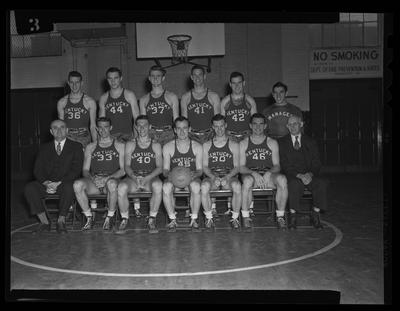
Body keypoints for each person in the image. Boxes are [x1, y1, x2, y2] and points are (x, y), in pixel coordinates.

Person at [24, 119, 83, 234]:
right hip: (47, 183)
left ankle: (61, 221)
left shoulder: (76, 146)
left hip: (65, 183)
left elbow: (76, 169)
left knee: (69, 187)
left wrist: (58, 183)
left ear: (67, 130)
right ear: (51, 131)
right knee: (30, 188)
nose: (59, 130)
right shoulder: (44, 148)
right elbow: (37, 170)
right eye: (55, 128)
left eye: (62, 127)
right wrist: (46, 183)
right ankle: (44, 222)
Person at [73, 117, 125, 232]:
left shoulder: (120, 145)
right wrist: (92, 179)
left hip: (111, 180)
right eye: (100, 127)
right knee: (77, 184)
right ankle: (89, 217)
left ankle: (110, 217)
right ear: (96, 129)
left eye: (106, 127)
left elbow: (123, 170)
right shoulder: (90, 147)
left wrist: (107, 178)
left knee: (111, 184)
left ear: (111, 128)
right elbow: (85, 170)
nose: (103, 130)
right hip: (95, 181)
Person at [239, 113, 288, 231]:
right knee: (247, 181)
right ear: (250, 125)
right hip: (251, 175)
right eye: (255, 124)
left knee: (282, 180)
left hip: (268, 176)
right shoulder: (243, 143)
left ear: (265, 126)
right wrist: (254, 174)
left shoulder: (272, 142)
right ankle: (245, 217)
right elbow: (241, 167)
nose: (258, 127)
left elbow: (277, 165)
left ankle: (280, 216)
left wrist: (269, 173)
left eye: (261, 124)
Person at [278, 115, 327, 229]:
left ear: (301, 124)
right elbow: (283, 163)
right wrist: (299, 175)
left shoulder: (310, 141)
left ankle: (315, 215)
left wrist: (309, 174)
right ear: (287, 126)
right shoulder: (281, 142)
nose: (293, 126)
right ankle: (293, 217)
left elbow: (317, 162)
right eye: (290, 124)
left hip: (309, 174)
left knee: (321, 183)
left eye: (295, 123)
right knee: (294, 184)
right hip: (292, 175)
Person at [117, 115, 163, 234]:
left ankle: (152, 219)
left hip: (150, 177)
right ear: (136, 127)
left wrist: (147, 177)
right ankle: (124, 219)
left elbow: (160, 167)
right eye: (139, 125)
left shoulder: (156, 145)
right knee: (121, 187)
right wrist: (134, 177)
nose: (142, 128)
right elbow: (126, 166)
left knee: (158, 186)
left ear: (150, 127)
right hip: (133, 178)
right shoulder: (130, 144)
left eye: (145, 125)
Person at [201, 114, 241, 231]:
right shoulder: (207, 145)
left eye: (221, 126)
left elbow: (237, 167)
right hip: (213, 177)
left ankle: (235, 218)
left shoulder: (234, 144)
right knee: (204, 186)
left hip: (229, 177)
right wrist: (214, 177)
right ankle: (209, 218)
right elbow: (204, 166)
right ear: (212, 127)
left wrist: (227, 177)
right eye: (216, 126)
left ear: (226, 126)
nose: (219, 129)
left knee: (237, 186)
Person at [162, 116, 203, 232]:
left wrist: (192, 175)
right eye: (178, 128)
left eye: (185, 128)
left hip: (191, 179)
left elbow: (200, 170)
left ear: (189, 129)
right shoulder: (168, 147)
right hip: (174, 179)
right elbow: (165, 170)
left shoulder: (197, 146)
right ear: (174, 130)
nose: (182, 131)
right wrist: (169, 175)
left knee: (196, 186)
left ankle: (194, 219)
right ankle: (172, 219)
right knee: (165, 187)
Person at [139, 65, 179, 146]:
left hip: (168, 133)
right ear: (149, 78)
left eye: (158, 76)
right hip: (151, 133)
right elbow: (143, 123)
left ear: (163, 78)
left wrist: (177, 137)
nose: (155, 78)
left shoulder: (172, 97)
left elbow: (176, 121)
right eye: (153, 76)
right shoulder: (143, 99)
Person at [180, 65, 221, 144]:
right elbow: (184, 122)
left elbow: (218, 121)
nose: (197, 77)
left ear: (204, 76)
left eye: (200, 74)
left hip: (209, 135)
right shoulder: (185, 97)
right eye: (195, 75)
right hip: (192, 135)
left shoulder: (213, 96)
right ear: (191, 77)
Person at [57, 71, 97, 148]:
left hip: (84, 137)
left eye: (77, 82)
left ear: (82, 83)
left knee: (83, 159)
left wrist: (96, 144)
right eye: (72, 82)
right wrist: (59, 144)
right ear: (68, 83)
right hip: (68, 136)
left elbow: (92, 126)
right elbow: (61, 126)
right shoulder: (62, 102)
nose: (74, 86)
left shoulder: (90, 101)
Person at [98, 67, 139, 143]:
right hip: (111, 137)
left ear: (121, 78)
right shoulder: (103, 98)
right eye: (110, 78)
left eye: (116, 78)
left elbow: (137, 119)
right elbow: (101, 123)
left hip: (128, 136)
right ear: (107, 80)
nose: (113, 81)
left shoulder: (129, 95)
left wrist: (136, 138)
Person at [220, 71, 257, 143]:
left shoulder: (250, 100)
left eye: (239, 83)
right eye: (234, 83)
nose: (237, 86)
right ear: (230, 84)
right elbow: (221, 123)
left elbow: (255, 122)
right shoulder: (225, 101)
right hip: (230, 137)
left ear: (244, 83)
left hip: (247, 136)